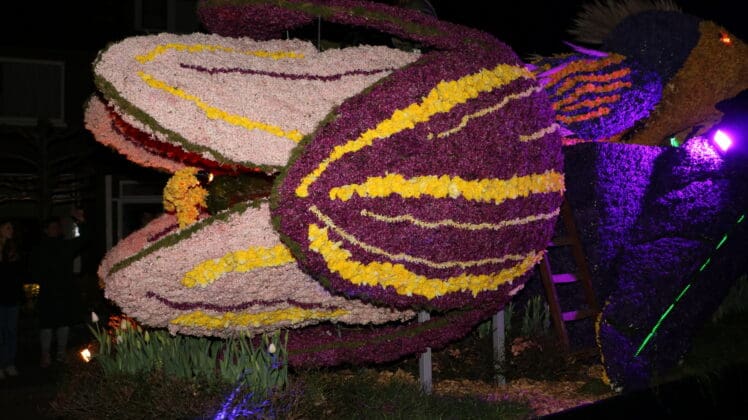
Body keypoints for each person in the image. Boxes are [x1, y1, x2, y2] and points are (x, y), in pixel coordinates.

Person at [30, 209, 88, 367]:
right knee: (46, 324)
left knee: (64, 323)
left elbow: (84, 239)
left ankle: (61, 353)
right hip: (47, 291)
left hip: (64, 291)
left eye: (58, 227)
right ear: (46, 230)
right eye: (53, 227)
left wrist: (81, 221)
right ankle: (45, 354)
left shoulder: (65, 245)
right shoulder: (39, 248)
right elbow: (33, 271)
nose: (56, 229)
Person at [0, 220, 24, 379]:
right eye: (7, 228)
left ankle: (9, 363)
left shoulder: (14, 249)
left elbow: (18, 273)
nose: (11, 230)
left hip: (12, 296)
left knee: (11, 331)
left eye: (12, 228)